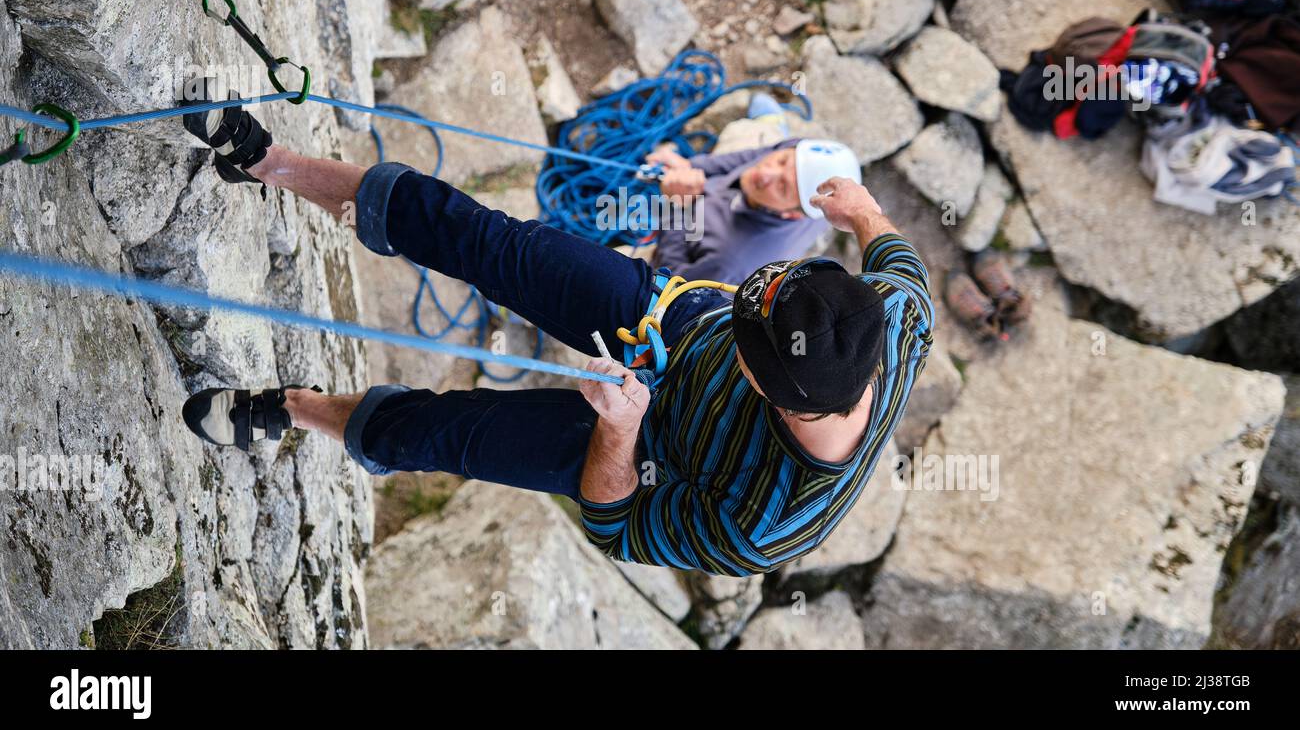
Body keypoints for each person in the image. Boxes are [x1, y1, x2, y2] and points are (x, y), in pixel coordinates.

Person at [179, 101, 934, 576]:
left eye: (748, 329)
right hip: (669, 315)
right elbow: (897, 257)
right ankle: (270, 163)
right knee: (491, 243)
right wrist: (862, 210)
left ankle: (299, 409)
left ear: (773, 393)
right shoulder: (892, 320)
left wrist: (622, 428)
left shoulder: (758, 526)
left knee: (447, 437)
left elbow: (614, 524)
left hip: (644, 448)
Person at [646, 134, 862, 284]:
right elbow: (748, 158)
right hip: (707, 197)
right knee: (753, 136)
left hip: (691, 230)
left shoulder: (733, 262)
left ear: (791, 214)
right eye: (781, 161)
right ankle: (769, 121)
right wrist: (688, 168)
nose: (765, 174)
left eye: (782, 186)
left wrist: (675, 206)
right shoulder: (800, 152)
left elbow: (670, 283)